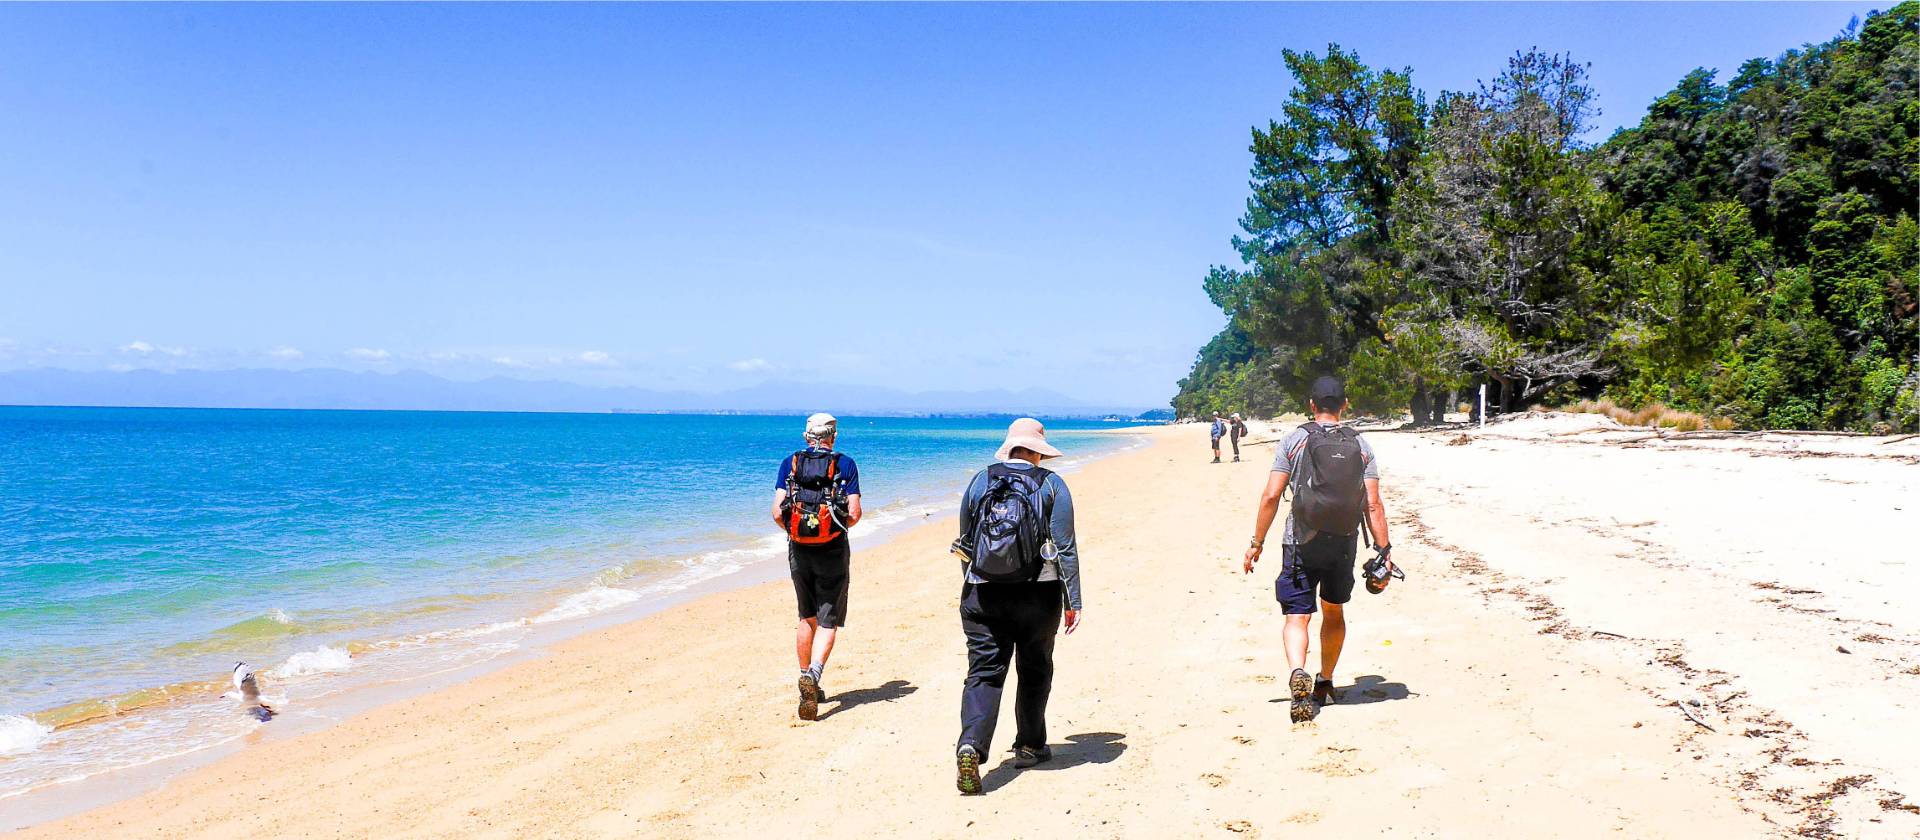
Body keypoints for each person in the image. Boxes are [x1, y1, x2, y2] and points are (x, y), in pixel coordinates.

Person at [1241, 377, 1392, 724]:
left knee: (1297, 615)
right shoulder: (1362, 445)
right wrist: (1384, 552)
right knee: (1334, 611)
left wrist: (1256, 543)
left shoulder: (1295, 440)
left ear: (1312, 405)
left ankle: (1298, 671)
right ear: (1345, 404)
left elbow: (1271, 495)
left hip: (1300, 540)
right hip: (1343, 540)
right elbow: (1374, 504)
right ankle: (1324, 681)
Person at [952, 418, 1082, 795]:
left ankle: (971, 746)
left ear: (1010, 447)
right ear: (1038, 452)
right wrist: (1073, 599)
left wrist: (973, 580)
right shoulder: (1052, 484)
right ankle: (1029, 745)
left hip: (981, 593)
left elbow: (965, 541)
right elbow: (1065, 548)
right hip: (1037, 595)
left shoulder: (980, 480)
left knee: (984, 672)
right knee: (1035, 667)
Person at [771, 412, 862, 721]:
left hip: (799, 550)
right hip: (833, 550)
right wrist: (832, 528)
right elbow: (855, 513)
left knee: (805, 616)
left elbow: (775, 512)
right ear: (833, 436)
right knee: (828, 620)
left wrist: (799, 532)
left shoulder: (790, 463)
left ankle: (803, 677)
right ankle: (814, 675)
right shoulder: (845, 464)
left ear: (806, 436)